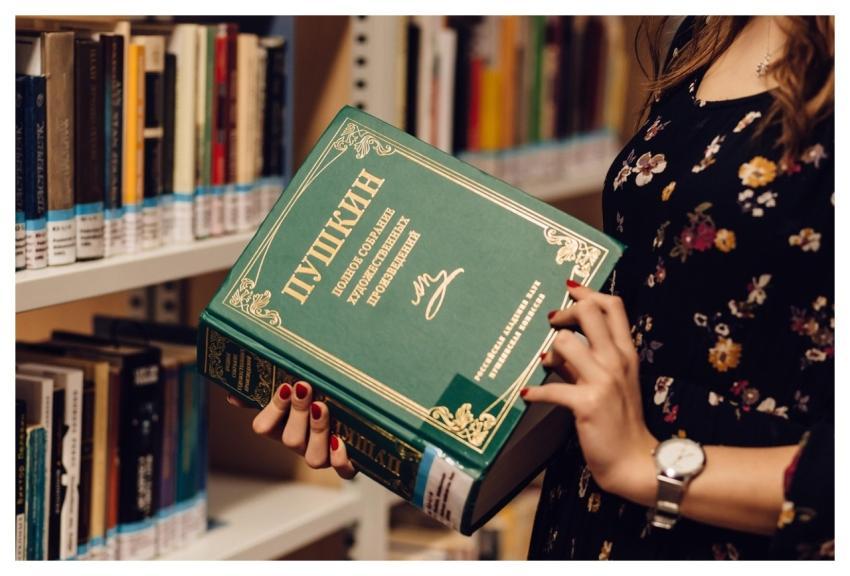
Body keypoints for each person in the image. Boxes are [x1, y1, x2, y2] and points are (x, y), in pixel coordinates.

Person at [230, 16, 834, 560]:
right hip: (586, 522)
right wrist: (372, 394)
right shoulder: (709, 33)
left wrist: (644, 466)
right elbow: (654, 324)